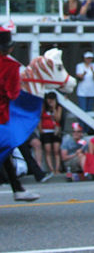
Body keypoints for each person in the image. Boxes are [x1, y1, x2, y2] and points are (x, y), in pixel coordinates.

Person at [0, 27, 40, 201]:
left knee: (6, 151)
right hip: (1, 117)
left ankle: (17, 187)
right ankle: (18, 188)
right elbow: (13, 94)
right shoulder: (10, 66)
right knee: (6, 146)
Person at [38, 92, 63, 175]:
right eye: (49, 99)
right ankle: (51, 169)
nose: (50, 101)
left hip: (55, 131)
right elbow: (40, 118)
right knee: (48, 150)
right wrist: (40, 129)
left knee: (56, 150)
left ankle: (57, 169)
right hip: (46, 131)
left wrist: (54, 109)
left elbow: (58, 119)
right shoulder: (43, 107)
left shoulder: (58, 108)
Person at [75, 51, 94, 116]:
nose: (89, 59)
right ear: (84, 58)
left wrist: (93, 71)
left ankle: (87, 126)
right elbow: (79, 78)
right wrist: (84, 73)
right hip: (82, 92)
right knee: (82, 111)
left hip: (92, 92)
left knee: (89, 111)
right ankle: (82, 125)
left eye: (90, 58)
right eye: (88, 58)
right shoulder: (80, 66)